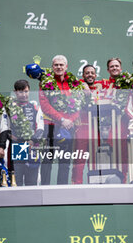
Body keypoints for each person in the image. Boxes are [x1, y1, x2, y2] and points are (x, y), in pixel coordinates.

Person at [39, 55, 79, 185]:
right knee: (47, 160)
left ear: (66, 67)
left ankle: (62, 191)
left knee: (65, 161)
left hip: (68, 126)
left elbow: (79, 104)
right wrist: (62, 119)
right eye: (56, 65)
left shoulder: (73, 83)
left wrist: (70, 120)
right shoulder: (45, 82)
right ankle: (44, 189)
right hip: (50, 125)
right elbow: (45, 106)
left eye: (61, 65)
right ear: (52, 67)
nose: (59, 67)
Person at [9, 79, 44, 186]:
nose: (23, 94)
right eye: (20, 92)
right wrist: (10, 136)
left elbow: (41, 127)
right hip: (17, 146)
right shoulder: (10, 107)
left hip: (32, 146)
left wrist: (32, 141)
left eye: (26, 91)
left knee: (32, 181)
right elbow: (5, 127)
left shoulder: (35, 107)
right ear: (15, 92)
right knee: (17, 180)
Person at [71, 65, 100, 184]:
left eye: (92, 73)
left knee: (95, 161)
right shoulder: (78, 87)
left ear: (95, 75)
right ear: (83, 75)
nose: (90, 75)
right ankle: (76, 186)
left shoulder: (100, 87)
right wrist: (82, 84)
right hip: (82, 127)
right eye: (87, 73)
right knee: (79, 160)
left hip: (96, 129)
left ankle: (94, 185)